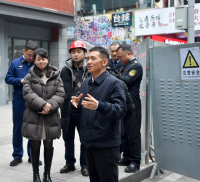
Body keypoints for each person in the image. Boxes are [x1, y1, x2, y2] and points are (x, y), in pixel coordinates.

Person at [71, 46, 126, 182]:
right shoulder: (86, 82)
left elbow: (120, 110)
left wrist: (99, 105)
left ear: (104, 62)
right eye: (88, 59)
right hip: (89, 142)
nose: (88, 62)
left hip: (106, 145)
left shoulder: (114, 83)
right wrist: (75, 105)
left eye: (93, 59)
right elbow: (79, 107)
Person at [22, 48, 65, 182]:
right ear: (34, 60)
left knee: (48, 144)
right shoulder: (29, 76)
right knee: (35, 144)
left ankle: (47, 174)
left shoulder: (56, 75)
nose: (41, 61)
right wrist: (42, 104)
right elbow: (27, 93)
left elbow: (61, 94)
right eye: (38, 59)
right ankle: (36, 174)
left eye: (43, 58)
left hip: (50, 115)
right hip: (34, 115)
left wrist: (49, 105)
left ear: (48, 60)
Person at [5, 41, 41, 166]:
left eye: (33, 56)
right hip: (19, 100)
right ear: (24, 51)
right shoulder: (15, 63)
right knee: (18, 127)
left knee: (33, 127)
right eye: (29, 55)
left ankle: (32, 155)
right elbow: (8, 78)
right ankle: (17, 155)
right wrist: (20, 80)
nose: (30, 58)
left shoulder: (37, 64)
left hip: (34, 100)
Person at [59, 40, 89, 176]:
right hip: (67, 109)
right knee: (68, 137)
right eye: (73, 52)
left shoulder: (89, 68)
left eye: (79, 52)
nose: (76, 55)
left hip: (84, 108)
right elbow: (59, 88)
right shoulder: (64, 70)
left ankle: (85, 165)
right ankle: (70, 163)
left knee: (84, 138)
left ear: (84, 53)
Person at [116, 44, 143, 173]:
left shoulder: (136, 66)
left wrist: (114, 76)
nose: (119, 59)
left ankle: (135, 161)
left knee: (133, 135)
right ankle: (126, 157)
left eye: (120, 57)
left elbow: (126, 80)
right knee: (124, 134)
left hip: (133, 106)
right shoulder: (123, 66)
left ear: (128, 54)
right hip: (124, 105)